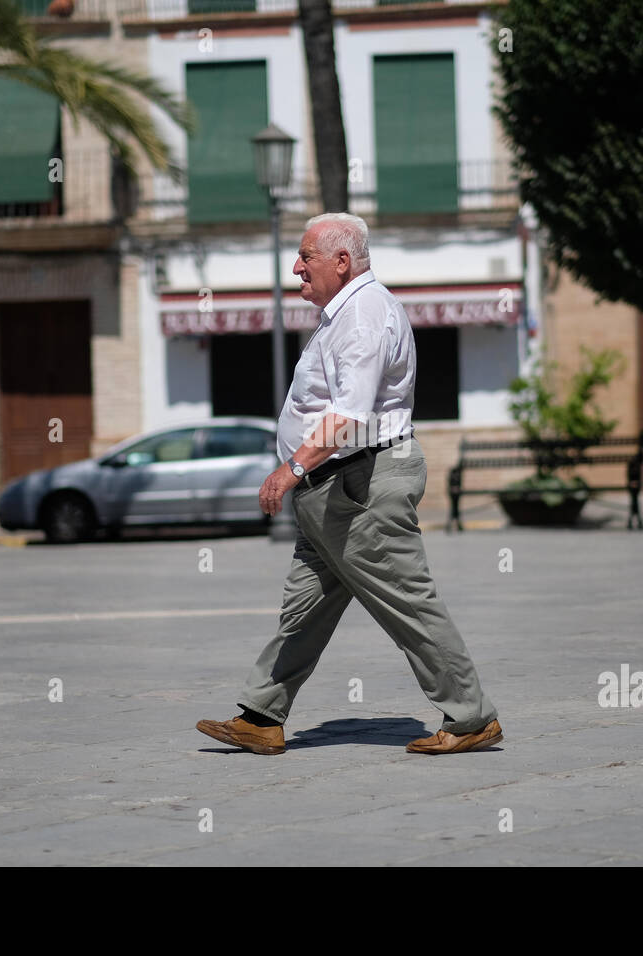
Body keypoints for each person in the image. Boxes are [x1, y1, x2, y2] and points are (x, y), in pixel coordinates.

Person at [196, 213, 502, 756]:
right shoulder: (346, 313)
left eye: (306, 256)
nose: (296, 267)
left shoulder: (362, 313)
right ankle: (262, 716)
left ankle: (471, 716)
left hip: (360, 485)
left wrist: (291, 468)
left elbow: (352, 414)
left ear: (342, 261)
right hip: (334, 488)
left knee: (406, 601)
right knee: (305, 607)